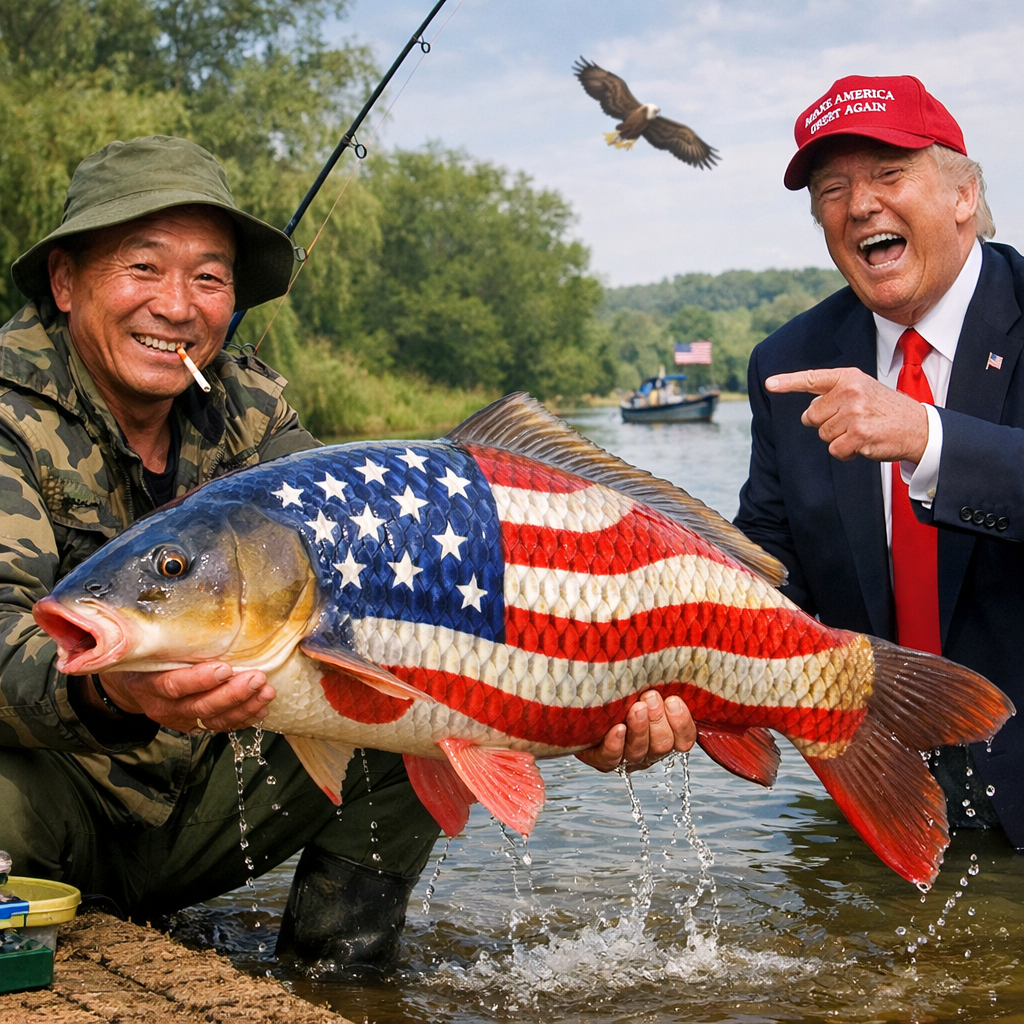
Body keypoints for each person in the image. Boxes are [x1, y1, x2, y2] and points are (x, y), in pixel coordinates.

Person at [0, 135, 694, 973]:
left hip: (199, 815)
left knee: (402, 677)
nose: (177, 306)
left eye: (209, 277)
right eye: (142, 268)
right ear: (66, 281)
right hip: (48, 812)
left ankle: (339, 977)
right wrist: (115, 690)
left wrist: (569, 699)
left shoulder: (250, 407)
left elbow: (381, 584)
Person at [734, 75, 1024, 848]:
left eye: (889, 176)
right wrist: (646, 676)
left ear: (964, 195)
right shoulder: (789, 362)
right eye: (833, 188)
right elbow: (767, 574)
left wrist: (931, 439)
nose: (859, 205)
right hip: (880, 792)